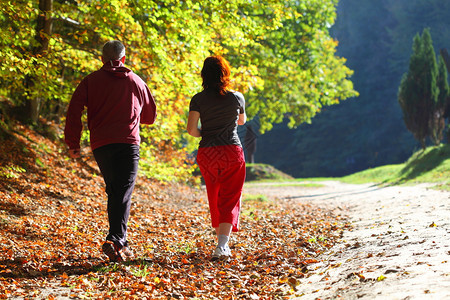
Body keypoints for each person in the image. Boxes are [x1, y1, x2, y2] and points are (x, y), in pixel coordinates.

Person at [64, 40, 157, 262]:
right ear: (123, 58)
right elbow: (150, 117)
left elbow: (73, 110)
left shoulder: (90, 81)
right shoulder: (136, 81)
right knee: (122, 192)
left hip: (101, 144)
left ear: (102, 59)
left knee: (116, 191)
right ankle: (116, 239)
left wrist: (73, 143)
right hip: (127, 142)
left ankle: (118, 244)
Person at [187, 55, 247, 260]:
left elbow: (191, 129)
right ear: (225, 73)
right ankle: (222, 245)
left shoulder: (198, 99)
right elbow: (241, 121)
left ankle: (220, 240)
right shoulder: (237, 97)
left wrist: (207, 133)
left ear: (204, 75)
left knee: (215, 194)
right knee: (230, 197)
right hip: (232, 150)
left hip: (208, 153)